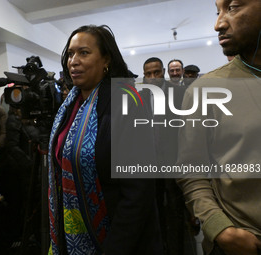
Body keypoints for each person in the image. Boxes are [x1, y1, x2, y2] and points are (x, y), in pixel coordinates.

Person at [48, 25, 162, 255]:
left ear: (106, 60)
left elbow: (138, 193)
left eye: (84, 52)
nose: (73, 61)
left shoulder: (128, 103)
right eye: (70, 54)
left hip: (119, 239)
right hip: (71, 231)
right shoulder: (69, 105)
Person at [177, 0, 261, 254]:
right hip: (244, 243)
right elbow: (190, 169)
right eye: (218, 11)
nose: (219, 24)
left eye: (233, 7)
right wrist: (220, 228)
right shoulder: (207, 89)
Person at [142, 57, 192, 255]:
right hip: (150, 164)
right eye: (148, 74)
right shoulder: (140, 97)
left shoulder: (179, 93)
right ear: (144, 76)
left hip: (173, 161)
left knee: (174, 208)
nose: (153, 77)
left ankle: (177, 249)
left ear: (163, 72)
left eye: (156, 72)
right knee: (154, 209)